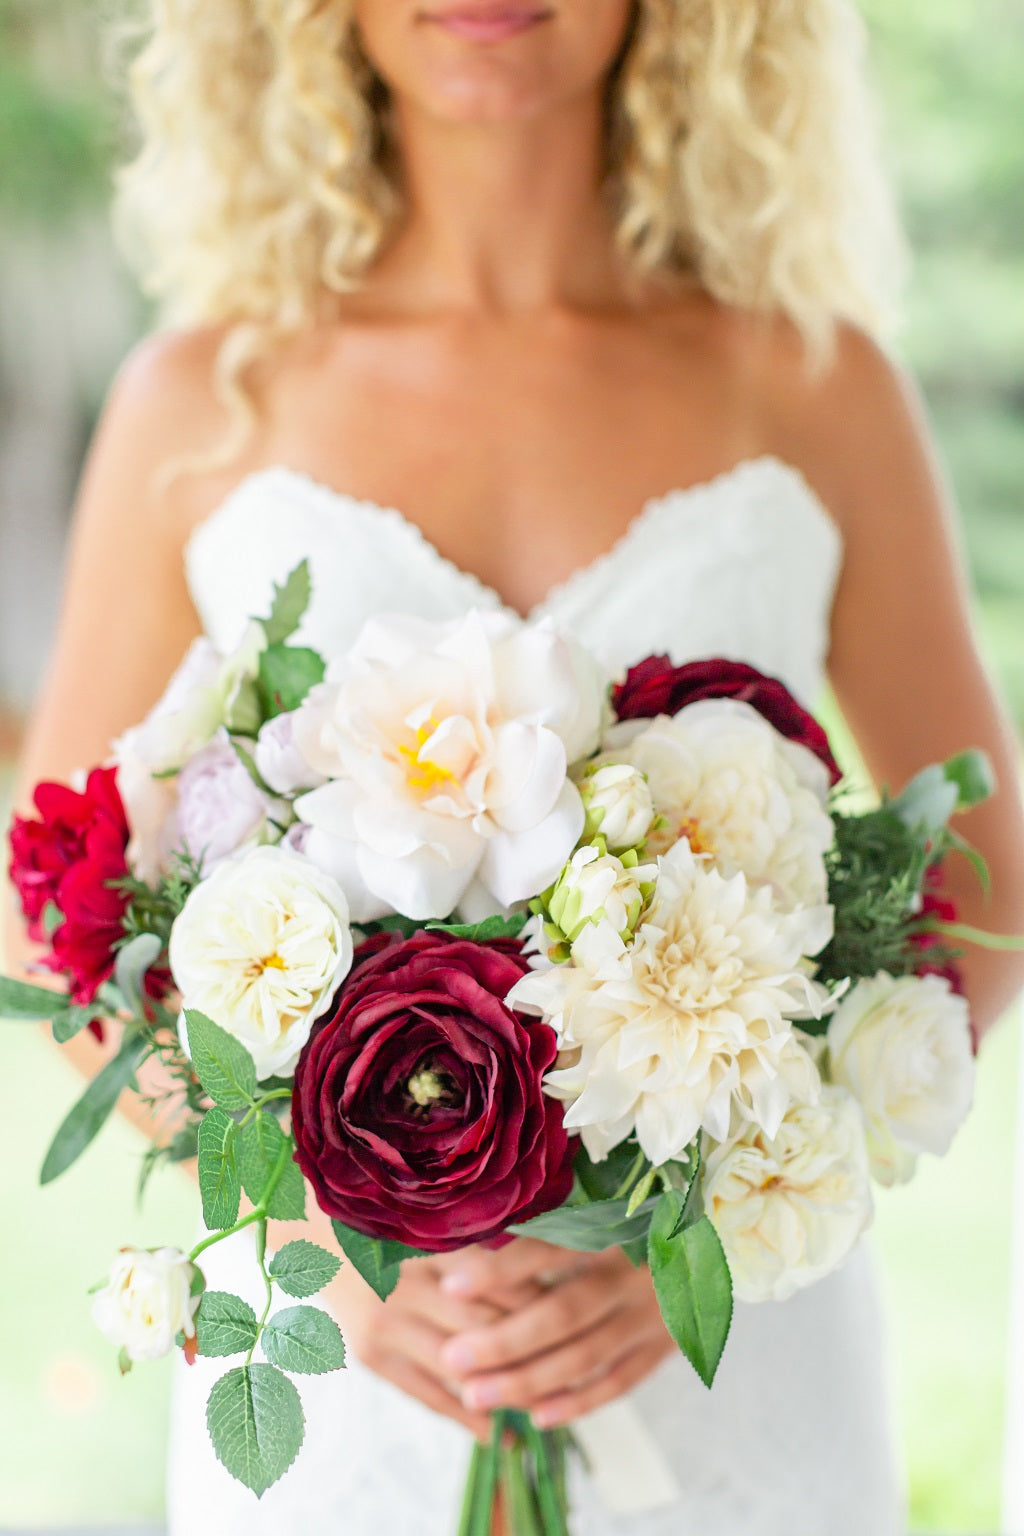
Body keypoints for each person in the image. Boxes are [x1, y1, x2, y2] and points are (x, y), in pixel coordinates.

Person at [11, 0, 1024, 1531]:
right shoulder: (203, 397)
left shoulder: (820, 388)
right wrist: (313, 1246)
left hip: (719, 1353)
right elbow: (59, 911)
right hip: (360, 1366)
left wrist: (714, 1235)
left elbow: (987, 870)